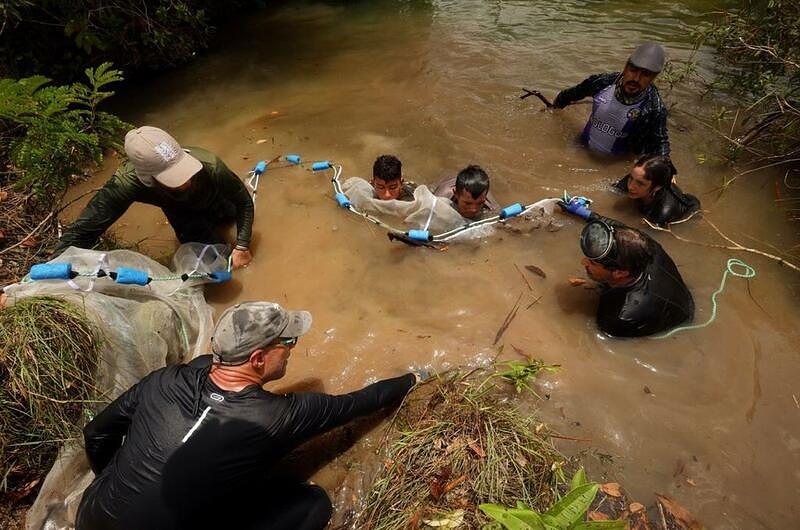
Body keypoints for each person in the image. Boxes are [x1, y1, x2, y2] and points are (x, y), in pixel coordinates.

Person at [76, 301, 420, 530]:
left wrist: (115, 483)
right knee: (313, 503)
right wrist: (414, 379)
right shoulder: (280, 415)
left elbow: (96, 435)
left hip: (91, 517)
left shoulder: (163, 379)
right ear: (258, 359)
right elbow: (362, 401)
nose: (290, 352)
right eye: (288, 342)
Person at [54, 126, 254, 269]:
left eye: (185, 172)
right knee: (210, 260)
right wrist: (51, 268)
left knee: (229, 217)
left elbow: (243, 201)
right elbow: (84, 231)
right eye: (174, 178)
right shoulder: (126, 184)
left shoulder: (211, 167)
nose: (186, 182)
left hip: (217, 199)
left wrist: (243, 245)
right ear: (147, 179)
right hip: (181, 214)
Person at [559, 197, 694, 337]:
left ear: (620, 273)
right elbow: (621, 231)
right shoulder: (647, 246)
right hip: (674, 294)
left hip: (671, 319)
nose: (583, 262)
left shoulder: (620, 318)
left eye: (592, 262)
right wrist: (588, 215)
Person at [552, 42, 673, 166]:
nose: (636, 79)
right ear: (625, 67)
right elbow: (569, 95)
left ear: (654, 77)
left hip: (613, 164)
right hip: (580, 146)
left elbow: (659, 143)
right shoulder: (603, 82)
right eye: (633, 70)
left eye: (645, 75)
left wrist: (667, 170)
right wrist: (553, 112)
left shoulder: (654, 107)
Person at [613, 154, 700, 227]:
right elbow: (613, 192)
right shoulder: (636, 177)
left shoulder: (663, 212)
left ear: (657, 187)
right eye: (631, 178)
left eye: (640, 184)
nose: (631, 186)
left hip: (690, 209)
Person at [432, 164, 500, 220]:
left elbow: (500, 218)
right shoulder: (440, 199)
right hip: (448, 181)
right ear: (456, 194)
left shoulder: (487, 201)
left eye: (480, 203)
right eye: (467, 203)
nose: (474, 209)